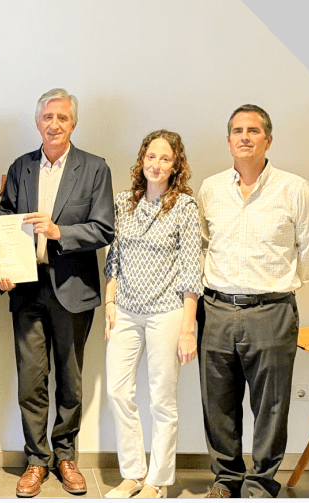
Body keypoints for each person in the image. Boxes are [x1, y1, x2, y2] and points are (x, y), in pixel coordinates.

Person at [197, 105, 309, 498]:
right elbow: (202, 245)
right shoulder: (211, 189)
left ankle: (261, 482)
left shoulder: (294, 188)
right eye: (237, 131)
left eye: (253, 130)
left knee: (271, 404)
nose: (245, 137)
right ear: (228, 141)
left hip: (272, 310)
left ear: (268, 139)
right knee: (218, 402)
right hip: (216, 309)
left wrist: (278, 286)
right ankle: (226, 479)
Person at [0, 88, 115, 497]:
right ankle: (36, 459)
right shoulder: (21, 167)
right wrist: (4, 268)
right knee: (31, 380)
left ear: (73, 124)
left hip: (73, 290)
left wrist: (58, 231)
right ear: (37, 123)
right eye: (47, 117)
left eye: (62, 117)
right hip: (27, 290)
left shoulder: (95, 168)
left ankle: (65, 456)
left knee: (69, 378)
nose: (54, 124)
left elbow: (104, 228)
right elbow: (5, 222)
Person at [102, 130, 202, 499]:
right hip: (125, 311)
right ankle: (132, 474)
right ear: (142, 160)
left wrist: (188, 328)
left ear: (176, 166)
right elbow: (114, 258)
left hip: (167, 314)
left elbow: (191, 270)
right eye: (151, 156)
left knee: (161, 399)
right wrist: (109, 303)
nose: (156, 164)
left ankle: (157, 481)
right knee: (118, 391)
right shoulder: (123, 202)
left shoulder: (185, 207)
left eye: (165, 158)